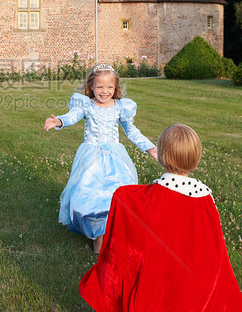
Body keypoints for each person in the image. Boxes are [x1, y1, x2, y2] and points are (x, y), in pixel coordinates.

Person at [78, 124, 242, 312]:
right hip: (192, 268)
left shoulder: (153, 195)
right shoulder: (205, 195)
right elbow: (212, 233)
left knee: (153, 295)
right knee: (183, 305)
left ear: (163, 158)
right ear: (195, 158)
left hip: (160, 265)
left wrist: (120, 195)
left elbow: (133, 207)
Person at [44, 63, 158, 254]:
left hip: (116, 159)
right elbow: (73, 116)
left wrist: (150, 147)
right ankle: (99, 236)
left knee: (115, 194)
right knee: (91, 195)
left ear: (116, 88)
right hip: (92, 160)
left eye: (110, 87)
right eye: (100, 87)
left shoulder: (121, 107)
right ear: (91, 87)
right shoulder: (86, 105)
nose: (105, 92)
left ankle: (113, 233)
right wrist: (59, 121)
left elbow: (131, 131)